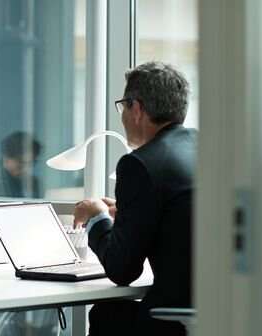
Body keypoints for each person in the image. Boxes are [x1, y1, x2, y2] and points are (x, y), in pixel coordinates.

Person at [73, 62, 196, 336]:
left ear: (137, 109)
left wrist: (97, 217)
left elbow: (122, 269)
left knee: (107, 315)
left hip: (175, 319)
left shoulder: (139, 165)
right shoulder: (204, 147)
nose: (123, 116)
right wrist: (126, 213)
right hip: (217, 312)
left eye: (123, 107)